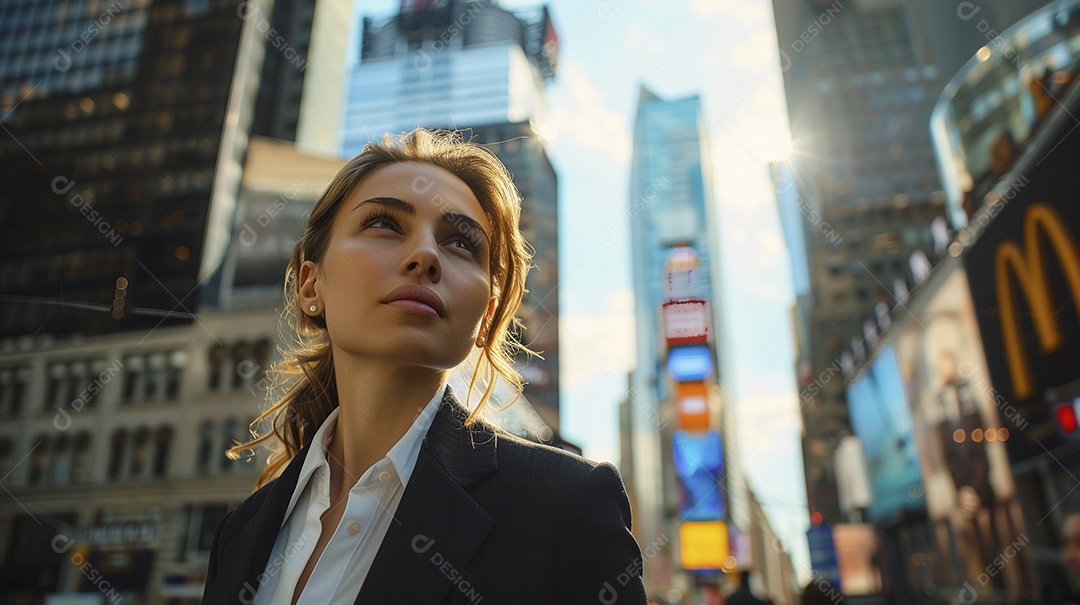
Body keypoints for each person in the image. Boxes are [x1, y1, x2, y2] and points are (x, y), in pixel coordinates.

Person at [201, 128, 647, 604]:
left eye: (461, 244)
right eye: (385, 225)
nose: (426, 256)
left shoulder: (566, 507)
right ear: (312, 286)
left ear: (487, 317)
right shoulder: (241, 532)